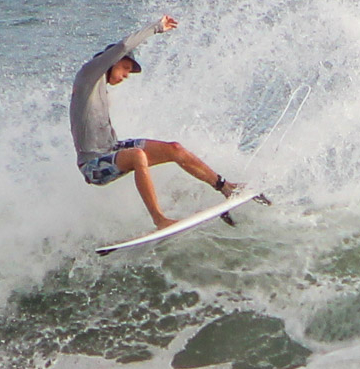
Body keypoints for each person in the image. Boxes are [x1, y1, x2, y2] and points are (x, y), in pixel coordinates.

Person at [70, 14, 241, 229]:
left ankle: (225, 187)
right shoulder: (87, 76)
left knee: (174, 149)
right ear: (112, 62)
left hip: (111, 149)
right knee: (137, 155)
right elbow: (123, 45)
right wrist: (156, 28)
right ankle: (160, 220)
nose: (125, 76)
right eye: (125, 68)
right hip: (92, 165)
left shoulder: (100, 88)